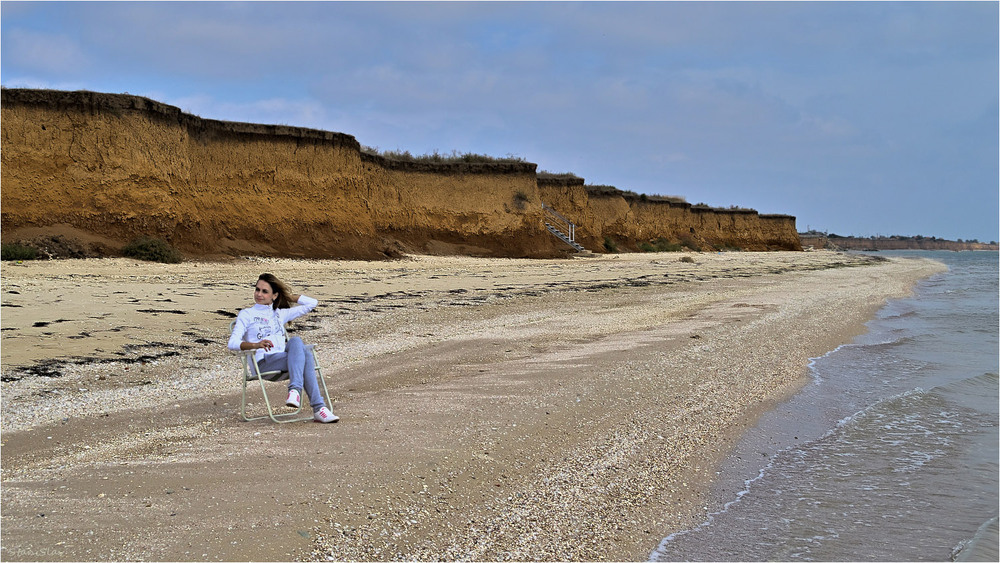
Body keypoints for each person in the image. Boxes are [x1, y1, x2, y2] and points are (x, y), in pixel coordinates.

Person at [227, 273, 338, 423]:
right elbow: (232, 343)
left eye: (265, 291)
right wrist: (255, 345)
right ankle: (318, 408)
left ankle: (295, 391)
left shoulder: (279, 314)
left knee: (297, 342)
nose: (259, 294)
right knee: (305, 355)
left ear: (274, 295)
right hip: (264, 363)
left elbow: (312, 303)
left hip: (286, 361)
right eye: (257, 289)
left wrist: (286, 296)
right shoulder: (246, 314)